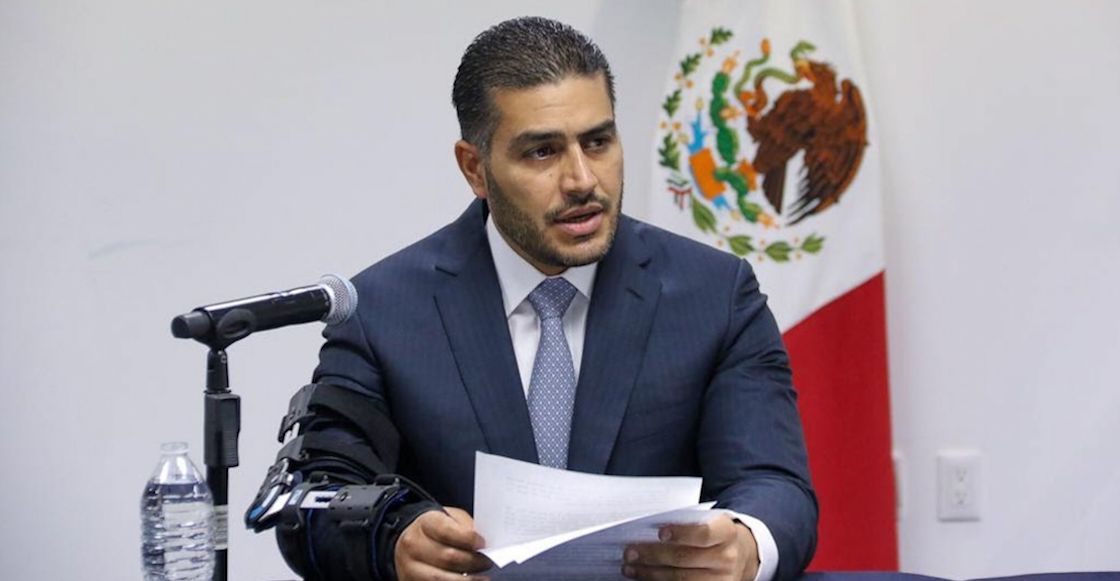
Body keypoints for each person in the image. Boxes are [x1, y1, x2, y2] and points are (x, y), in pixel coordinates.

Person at [271, 16, 817, 581]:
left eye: (598, 142)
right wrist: (392, 540)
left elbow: (774, 485)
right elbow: (315, 500)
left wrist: (746, 544)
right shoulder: (381, 311)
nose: (582, 180)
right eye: (542, 152)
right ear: (475, 168)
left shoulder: (715, 295)